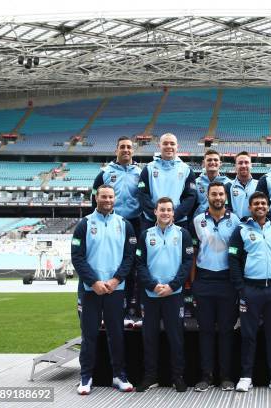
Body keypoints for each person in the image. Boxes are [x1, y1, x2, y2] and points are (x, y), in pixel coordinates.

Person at [71, 184, 136, 395]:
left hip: (116, 290)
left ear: (114, 199)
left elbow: (129, 257)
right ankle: (85, 377)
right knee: (89, 335)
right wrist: (94, 282)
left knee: (116, 335)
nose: (107, 200)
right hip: (91, 291)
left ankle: (119, 375)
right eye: (103, 197)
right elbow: (77, 257)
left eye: (110, 197)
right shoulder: (84, 224)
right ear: (96, 198)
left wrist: (116, 280)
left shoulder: (125, 224)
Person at [228, 191, 271, 393]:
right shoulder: (241, 230)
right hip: (250, 289)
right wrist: (240, 288)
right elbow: (233, 259)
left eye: (263, 203)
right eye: (256, 204)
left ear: (268, 207)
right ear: (250, 207)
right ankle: (246, 376)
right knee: (248, 335)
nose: (260, 206)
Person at [135, 197, 193, 393]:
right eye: (162, 210)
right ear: (155, 212)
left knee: (176, 337)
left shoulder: (183, 234)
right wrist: (152, 285)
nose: (166, 213)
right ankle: (150, 376)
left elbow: (187, 263)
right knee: (149, 337)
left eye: (169, 210)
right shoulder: (145, 235)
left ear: (173, 213)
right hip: (151, 295)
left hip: (174, 293)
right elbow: (140, 264)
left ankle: (178, 376)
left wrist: (172, 285)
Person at [190, 182, 241, 392]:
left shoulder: (236, 220)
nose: (218, 197)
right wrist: (193, 283)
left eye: (221, 194)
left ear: (225, 197)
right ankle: (206, 375)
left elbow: (238, 254)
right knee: (206, 331)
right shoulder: (197, 220)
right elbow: (192, 253)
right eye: (214, 194)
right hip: (204, 281)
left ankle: (226, 376)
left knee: (227, 331)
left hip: (227, 282)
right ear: (208, 196)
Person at [91, 136, 143, 328]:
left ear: (133, 151)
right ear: (116, 150)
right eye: (122, 147)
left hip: (134, 224)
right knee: (110, 265)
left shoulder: (140, 172)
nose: (126, 150)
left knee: (133, 268)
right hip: (111, 225)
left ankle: (132, 309)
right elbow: (93, 200)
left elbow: (145, 198)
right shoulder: (104, 173)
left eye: (129, 147)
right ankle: (108, 310)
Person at [137, 133, 197, 231]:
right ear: (159, 146)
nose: (169, 146)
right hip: (152, 221)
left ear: (177, 147)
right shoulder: (148, 168)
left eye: (172, 144)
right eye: (165, 143)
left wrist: (174, 216)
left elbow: (190, 197)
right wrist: (156, 215)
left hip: (178, 221)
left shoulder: (186, 170)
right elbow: (142, 195)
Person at [194, 149, 232, 217]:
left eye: (215, 160)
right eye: (209, 160)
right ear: (203, 163)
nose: (212, 162)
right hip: (200, 221)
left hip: (222, 221)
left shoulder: (228, 183)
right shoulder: (196, 183)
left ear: (220, 163)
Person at [225, 151, 258, 220]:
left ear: (251, 165)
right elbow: (226, 208)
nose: (243, 165)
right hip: (235, 226)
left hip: (255, 226)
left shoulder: (259, 185)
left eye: (246, 162)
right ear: (235, 166)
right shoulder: (228, 186)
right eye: (240, 163)